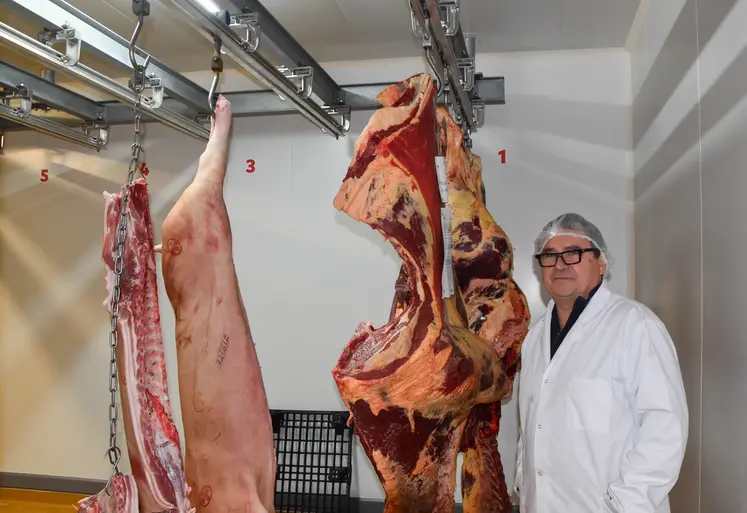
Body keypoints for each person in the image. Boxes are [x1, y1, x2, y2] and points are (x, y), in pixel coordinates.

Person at [513, 213, 688, 513]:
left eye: (573, 253)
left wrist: (626, 503)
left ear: (601, 262)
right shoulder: (534, 338)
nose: (560, 264)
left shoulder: (635, 325)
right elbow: (532, 424)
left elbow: (665, 428)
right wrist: (522, 480)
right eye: (550, 256)